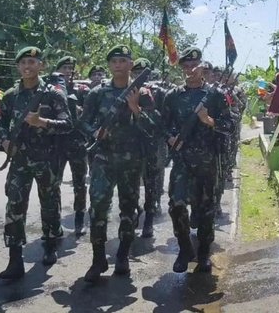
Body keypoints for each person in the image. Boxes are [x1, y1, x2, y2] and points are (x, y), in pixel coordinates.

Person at [80, 44, 158, 282]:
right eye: (114, 61)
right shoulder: (98, 93)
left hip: (131, 160)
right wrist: (95, 134)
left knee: (128, 208)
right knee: (98, 206)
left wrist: (135, 109)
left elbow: (153, 129)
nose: (118, 65)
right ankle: (98, 258)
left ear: (130, 64)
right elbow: (83, 122)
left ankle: (123, 255)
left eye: (123, 61)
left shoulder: (143, 94)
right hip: (103, 159)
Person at [0, 46, 72, 279]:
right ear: (18, 67)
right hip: (19, 160)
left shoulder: (54, 94)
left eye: (32, 61)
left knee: (49, 203)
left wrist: (43, 122)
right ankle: (14, 258)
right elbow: (0, 124)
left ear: (42, 65)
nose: (27, 66)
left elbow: (68, 125)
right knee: (14, 205)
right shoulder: (10, 95)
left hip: (47, 160)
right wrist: (4, 141)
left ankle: (50, 243)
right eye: (23, 63)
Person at [163, 47, 235, 273]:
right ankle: (185, 249)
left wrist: (209, 120)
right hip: (182, 160)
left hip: (207, 160)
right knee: (176, 204)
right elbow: (162, 124)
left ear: (202, 67)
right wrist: (171, 137)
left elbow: (230, 125)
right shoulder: (173, 96)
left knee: (205, 208)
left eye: (193, 66)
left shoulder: (215, 95)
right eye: (185, 66)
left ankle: (204, 251)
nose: (190, 70)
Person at [53, 56, 88, 236]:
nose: (67, 71)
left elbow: (91, 114)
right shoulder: (51, 90)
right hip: (57, 143)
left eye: (70, 68)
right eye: (64, 67)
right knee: (53, 183)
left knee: (80, 182)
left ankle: (80, 217)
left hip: (77, 142)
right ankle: (55, 220)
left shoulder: (82, 90)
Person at [131, 57, 165, 237]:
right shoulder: (128, 90)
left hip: (153, 141)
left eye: (143, 73)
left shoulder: (158, 91)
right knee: (132, 179)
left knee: (153, 177)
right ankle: (136, 209)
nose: (140, 77)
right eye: (136, 73)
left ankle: (151, 213)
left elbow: (162, 118)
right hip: (132, 142)